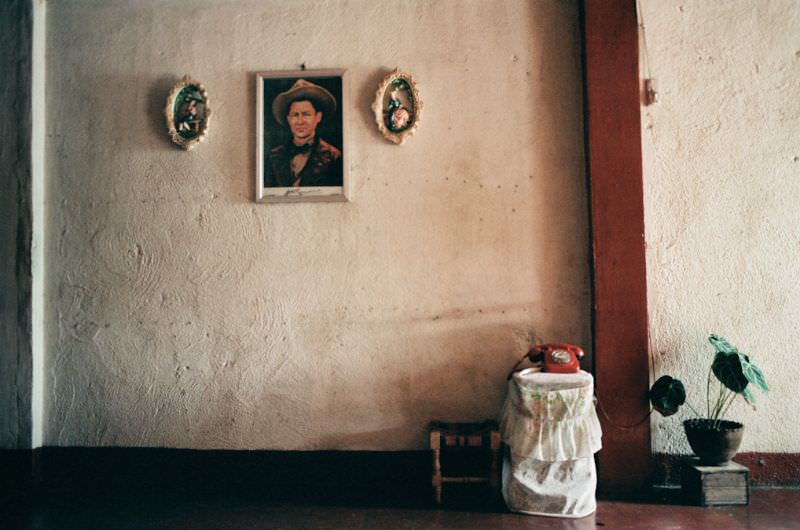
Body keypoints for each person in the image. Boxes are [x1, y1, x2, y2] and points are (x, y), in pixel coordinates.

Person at [266, 79, 342, 188]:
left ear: (318, 117)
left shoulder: (334, 156)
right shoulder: (274, 156)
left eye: (306, 114)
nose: (300, 121)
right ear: (288, 119)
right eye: (294, 115)